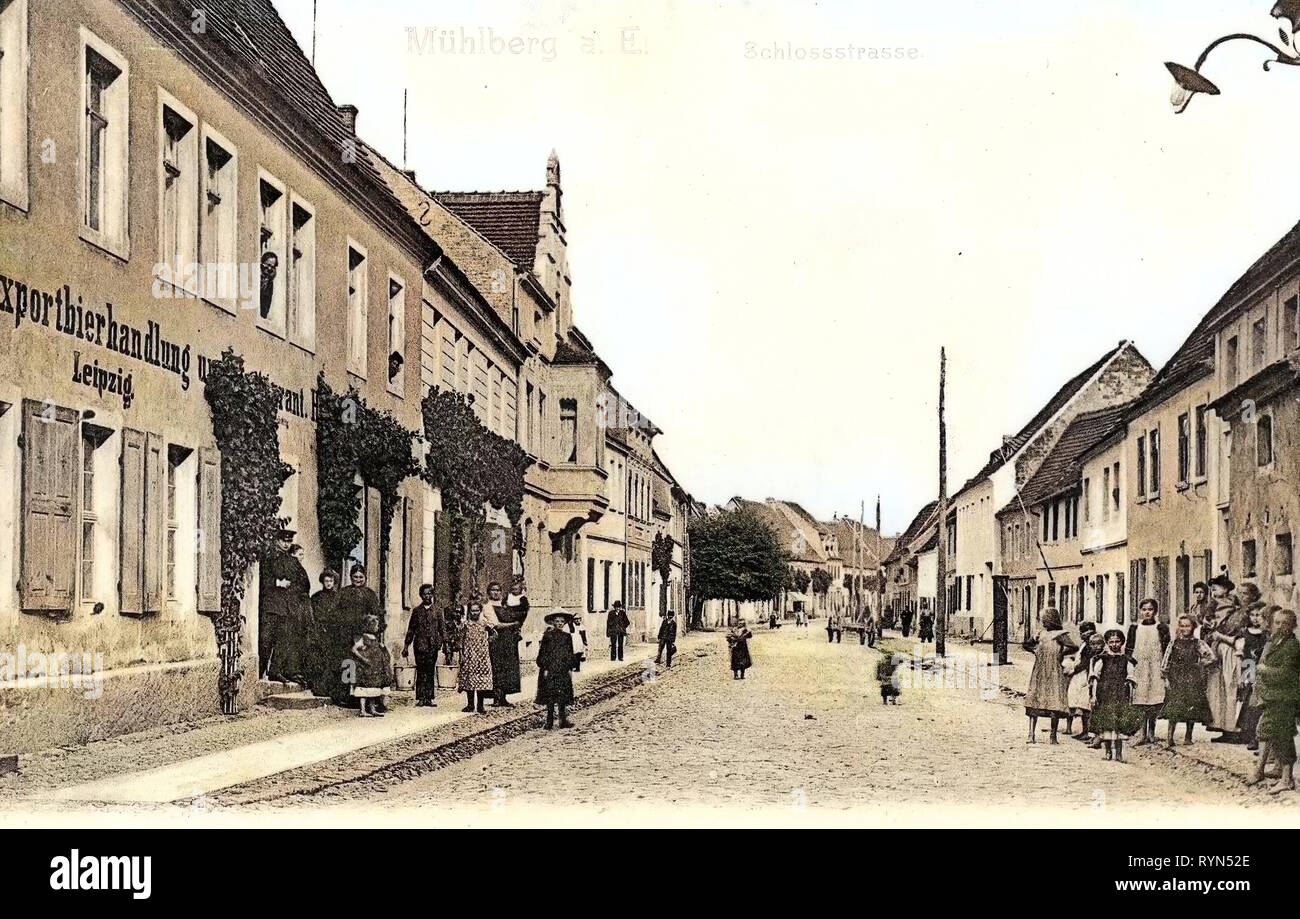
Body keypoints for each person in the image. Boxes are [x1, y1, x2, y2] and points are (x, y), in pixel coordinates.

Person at [1249, 608, 1300, 794]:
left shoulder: (1292, 646)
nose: (1280, 626)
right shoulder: (1276, 641)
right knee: (1268, 732)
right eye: (1277, 622)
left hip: (1285, 698)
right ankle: (1267, 771)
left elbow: (1286, 673)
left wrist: (1264, 670)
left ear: (1293, 625)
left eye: (1285, 623)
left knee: (1282, 736)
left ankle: (1287, 779)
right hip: (1273, 696)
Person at [258, 529, 312, 683]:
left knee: (283, 640)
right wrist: (277, 583)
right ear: (277, 541)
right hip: (271, 605)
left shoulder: (293, 561)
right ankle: (259, 672)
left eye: (289, 541)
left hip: (287, 607)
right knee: (266, 639)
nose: (286, 544)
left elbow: (303, 583)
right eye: (283, 541)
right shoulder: (269, 558)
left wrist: (293, 594)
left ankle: (275, 671)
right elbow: (261, 579)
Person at [1023, 606, 1077, 744]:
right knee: (1035, 700)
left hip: (1054, 670)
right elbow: (1026, 644)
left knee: (1054, 702)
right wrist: (1034, 651)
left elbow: (1073, 647)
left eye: (1045, 620)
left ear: (1051, 620)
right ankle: (1031, 734)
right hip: (1040, 670)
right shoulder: (1040, 634)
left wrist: (1061, 653)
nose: (1043, 622)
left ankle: (1053, 735)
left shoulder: (1060, 634)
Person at [1160, 614, 1214, 747]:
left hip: (1192, 678)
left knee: (1191, 706)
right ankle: (1169, 737)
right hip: (1176, 677)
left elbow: (1211, 657)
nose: (1185, 629)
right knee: (1174, 707)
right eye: (1182, 626)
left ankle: (1188, 736)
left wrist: (1200, 664)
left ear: (1193, 627)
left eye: (1187, 626)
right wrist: (1166, 678)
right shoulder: (1174, 643)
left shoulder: (1198, 643)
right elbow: (1165, 661)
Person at [1204, 575, 1244, 742]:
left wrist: (1217, 632)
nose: (1213, 591)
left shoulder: (1234, 606)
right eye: (1212, 589)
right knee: (1216, 688)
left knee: (1230, 686)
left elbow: (1233, 628)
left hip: (1229, 648)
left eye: (1217, 588)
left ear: (1226, 589)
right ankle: (1222, 726)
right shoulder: (1212, 606)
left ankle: (1232, 728)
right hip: (1216, 649)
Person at [1090, 628, 1139, 762]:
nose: (1114, 645)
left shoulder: (1126, 660)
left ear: (1122, 642)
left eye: (1117, 641)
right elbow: (1095, 678)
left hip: (1120, 696)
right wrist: (1093, 696)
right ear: (1107, 643)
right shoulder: (1102, 659)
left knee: (1119, 725)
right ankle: (1107, 752)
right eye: (1111, 642)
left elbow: (1131, 677)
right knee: (1106, 724)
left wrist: (1130, 694)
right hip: (1104, 695)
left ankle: (1118, 753)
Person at [1128, 599, 1171, 747]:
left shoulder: (1161, 628)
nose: (1147, 612)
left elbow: (1167, 649)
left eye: (1151, 609)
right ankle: (1142, 732)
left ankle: (1152, 732)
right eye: (1144, 609)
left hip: (1155, 667)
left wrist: (1165, 669)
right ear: (1140, 611)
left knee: (1154, 700)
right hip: (1140, 667)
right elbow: (1129, 648)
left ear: (1155, 611)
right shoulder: (1134, 628)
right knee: (1140, 700)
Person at [1237, 604, 1274, 750]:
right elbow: (1244, 656)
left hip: (1263, 669)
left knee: (1260, 704)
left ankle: (1259, 738)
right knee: (1249, 703)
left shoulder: (1266, 634)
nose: (1255, 618)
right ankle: (1250, 736)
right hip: (1250, 668)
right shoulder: (1246, 633)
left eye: (1258, 615)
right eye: (1252, 615)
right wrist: (1244, 676)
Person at [484, 581, 524, 707]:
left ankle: (504, 697)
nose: (496, 592)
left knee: (508, 668)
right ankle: (496, 696)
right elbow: (496, 624)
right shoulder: (487, 606)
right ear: (489, 592)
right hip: (497, 641)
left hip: (509, 641)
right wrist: (513, 624)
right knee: (496, 668)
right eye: (493, 590)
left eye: (498, 590)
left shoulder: (505, 605)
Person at [403, 583, 443, 706]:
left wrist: (443, 643)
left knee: (430, 671)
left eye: (430, 593)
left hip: (432, 646)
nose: (427, 596)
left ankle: (429, 698)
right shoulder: (416, 611)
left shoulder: (437, 610)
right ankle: (420, 697)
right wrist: (406, 646)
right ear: (421, 595)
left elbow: (442, 629)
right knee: (421, 671)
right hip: (420, 646)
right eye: (425, 594)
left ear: (433, 595)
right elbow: (411, 629)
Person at [536, 610, 576, 729]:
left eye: (562, 622)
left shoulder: (567, 637)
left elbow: (569, 653)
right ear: (553, 622)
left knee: (562, 695)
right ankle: (549, 722)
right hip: (551, 669)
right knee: (550, 696)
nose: (559, 624)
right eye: (557, 621)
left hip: (563, 669)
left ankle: (563, 720)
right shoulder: (547, 636)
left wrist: (570, 667)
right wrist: (545, 668)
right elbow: (543, 653)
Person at [307, 569, 341, 699]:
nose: (328, 583)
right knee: (319, 658)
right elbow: (313, 615)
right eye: (326, 581)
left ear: (334, 582)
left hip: (334, 630)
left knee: (332, 659)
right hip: (320, 630)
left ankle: (331, 690)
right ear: (323, 581)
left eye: (331, 581)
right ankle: (319, 688)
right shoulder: (316, 597)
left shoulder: (338, 597)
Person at [349, 615, 392, 717]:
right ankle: (362, 710)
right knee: (364, 689)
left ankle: (372, 709)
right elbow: (354, 649)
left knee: (373, 688)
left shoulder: (375, 638)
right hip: (366, 668)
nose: (377, 628)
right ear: (371, 626)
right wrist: (363, 659)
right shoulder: (364, 638)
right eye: (376, 626)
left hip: (374, 668)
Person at [457, 600, 493, 714]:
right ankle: (470, 704)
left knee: (481, 681)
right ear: (469, 611)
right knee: (470, 680)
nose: (475, 613)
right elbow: (460, 640)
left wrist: (487, 642)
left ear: (480, 611)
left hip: (481, 656)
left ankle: (480, 706)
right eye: (472, 610)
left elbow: (494, 634)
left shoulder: (484, 623)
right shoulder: (465, 624)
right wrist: (461, 654)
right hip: (469, 655)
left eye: (477, 610)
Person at [1064, 623, 1099, 739]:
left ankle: (1088, 732)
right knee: (1082, 704)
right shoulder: (1085, 644)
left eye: (1082, 632)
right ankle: (1085, 731)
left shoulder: (1091, 645)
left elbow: (1085, 663)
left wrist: (1073, 670)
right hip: (1080, 675)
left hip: (1085, 675)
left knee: (1086, 704)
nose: (1080, 635)